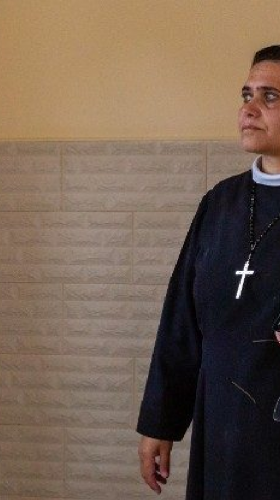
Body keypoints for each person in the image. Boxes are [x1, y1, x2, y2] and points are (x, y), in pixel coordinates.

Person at [137, 45, 280, 500]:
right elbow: (181, 320)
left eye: (270, 97)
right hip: (221, 428)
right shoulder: (219, 204)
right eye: (247, 95)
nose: (249, 109)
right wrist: (160, 422)